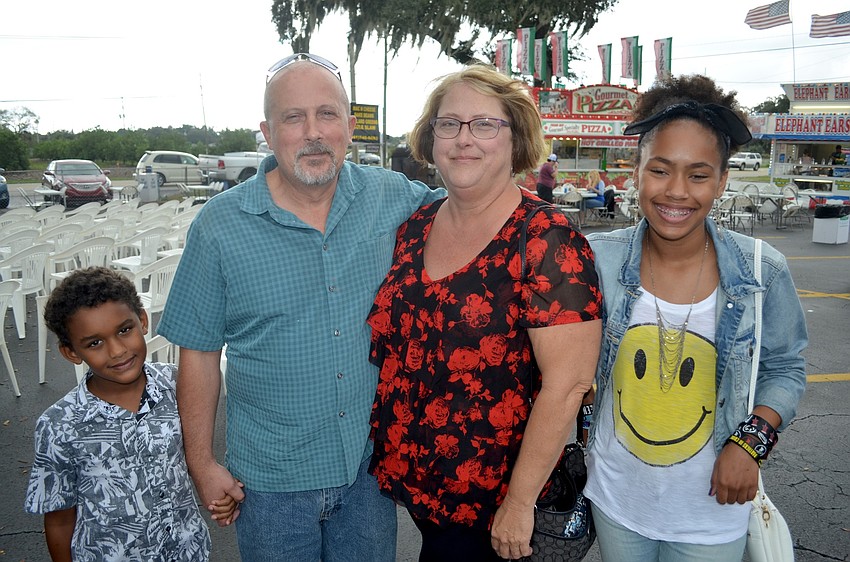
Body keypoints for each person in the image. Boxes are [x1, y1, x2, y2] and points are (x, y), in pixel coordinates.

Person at [157, 53, 443, 561]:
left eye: (327, 114)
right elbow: (198, 354)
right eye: (294, 118)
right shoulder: (220, 227)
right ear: (267, 132)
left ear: (349, 127)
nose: (313, 132)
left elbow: (471, 210)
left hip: (368, 475)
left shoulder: (392, 196)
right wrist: (200, 463)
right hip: (270, 486)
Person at [367, 64, 603, 561]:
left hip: (496, 507)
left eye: (484, 124)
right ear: (431, 139)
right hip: (422, 489)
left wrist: (519, 503)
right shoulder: (416, 228)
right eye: (448, 124)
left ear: (516, 140)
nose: (463, 139)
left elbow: (568, 384)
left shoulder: (546, 240)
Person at [583, 74, 808, 561]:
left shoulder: (761, 270)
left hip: (713, 512)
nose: (677, 192)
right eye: (660, 170)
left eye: (699, 175)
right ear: (635, 171)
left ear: (723, 181)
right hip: (617, 499)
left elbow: (785, 367)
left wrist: (751, 444)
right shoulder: (594, 261)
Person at [25, 267, 235, 562]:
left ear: (143, 321)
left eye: (124, 330)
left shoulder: (180, 385)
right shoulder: (59, 425)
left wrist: (219, 495)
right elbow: (59, 519)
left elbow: (194, 458)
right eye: (94, 343)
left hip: (188, 551)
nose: (117, 350)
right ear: (71, 352)